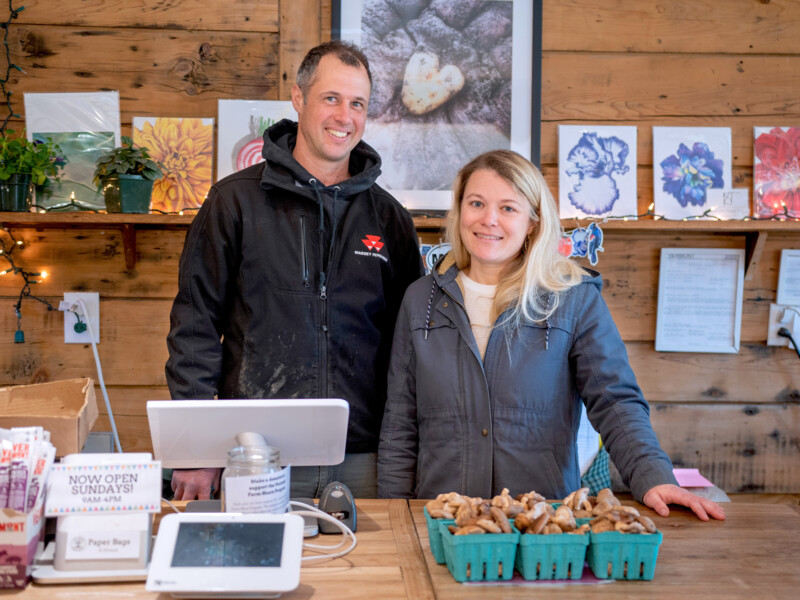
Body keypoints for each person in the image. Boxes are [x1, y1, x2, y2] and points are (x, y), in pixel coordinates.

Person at [377, 149, 724, 521]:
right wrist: (396, 515)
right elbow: (400, 424)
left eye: (508, 208)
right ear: (460, 211)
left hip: (543, 527)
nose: (489, 219)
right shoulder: (421, 299)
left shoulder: (572, 297)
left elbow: (616, 401)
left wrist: (653, 477)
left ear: (531, 222)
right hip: (445, 520)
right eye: (476, 203)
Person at [166, 40, 424, 500]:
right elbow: (195, 324)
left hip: (364, 461)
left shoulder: (390, 219)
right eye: (331, 98)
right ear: (299, 98)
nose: (345, 117)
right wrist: (195, 447)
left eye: (358, 103)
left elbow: (411, 346)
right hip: (254, 455)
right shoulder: (235, 201)